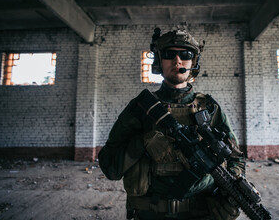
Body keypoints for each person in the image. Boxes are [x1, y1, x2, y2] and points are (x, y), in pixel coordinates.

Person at [98, 27, 246, 220]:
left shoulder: (209, 109)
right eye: (169, 54)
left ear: (193, 62)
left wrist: (229, 191)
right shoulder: (141, 108)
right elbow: (109, 166)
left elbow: (236, 159)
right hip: (149, 214)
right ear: (159, 61)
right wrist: (142, 143)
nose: (177, 61)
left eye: (185, 54)